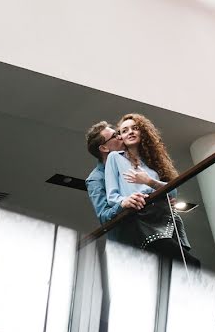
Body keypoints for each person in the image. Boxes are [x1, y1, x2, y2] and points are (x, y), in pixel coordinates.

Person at [104, 113, 197, 265]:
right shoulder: (115, 157)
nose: (131, 132)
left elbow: (172, 192)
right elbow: (112, 196)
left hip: (163, 213)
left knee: (182, 264)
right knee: (186, 263)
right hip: (141, 215)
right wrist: (126, 201)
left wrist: (149, 181)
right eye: (125, 130)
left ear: (143, 132)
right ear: (120, 137)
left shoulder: (154, 161)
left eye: (135, 128)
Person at [84, 121, 149, 225]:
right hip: (132, 234)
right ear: (104, 148)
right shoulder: (95, 179)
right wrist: (122, 204)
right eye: (115, 135)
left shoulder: (134, 160)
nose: (120, 137)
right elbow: (103, 216)